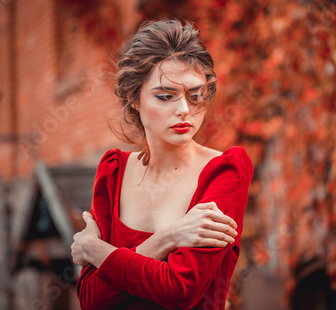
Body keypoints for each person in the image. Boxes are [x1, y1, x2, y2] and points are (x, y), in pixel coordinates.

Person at [70, 19, 254, 310]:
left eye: (196, 95)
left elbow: (180, 290)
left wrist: (96, 250)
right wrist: (169, 237)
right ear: (134, 99)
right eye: (165, 96)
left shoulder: (224, 172)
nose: (184, 110)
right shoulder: (113, 173)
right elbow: (92, 299)